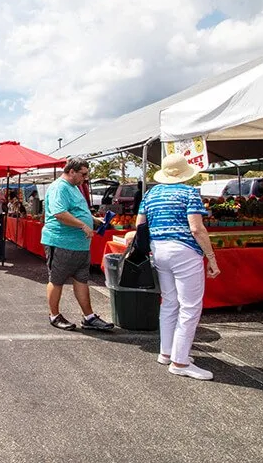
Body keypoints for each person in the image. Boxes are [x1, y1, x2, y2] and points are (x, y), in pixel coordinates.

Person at [132, 153, 220, 380]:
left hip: (159, 250)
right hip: (185, 251)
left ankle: (166, 352)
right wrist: (211, 257)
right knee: (190, 307)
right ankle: (180, 362)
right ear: (184, 173)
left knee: (169, 302)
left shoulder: (151, 194)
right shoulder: (189, 193)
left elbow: (140, 225)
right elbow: (196, 229)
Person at [41, 158, 113, 331]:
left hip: (79, 245)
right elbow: (59, 213)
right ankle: (54, 315)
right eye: (83, 174)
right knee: (57, 279)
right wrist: (82, 225)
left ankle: (88, 317)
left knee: (81, 279)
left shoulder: (74, 188)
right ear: (71, 171)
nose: (85, 178)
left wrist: (95, 220)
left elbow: (78, 211)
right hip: (61, 242)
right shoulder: (60, 187)